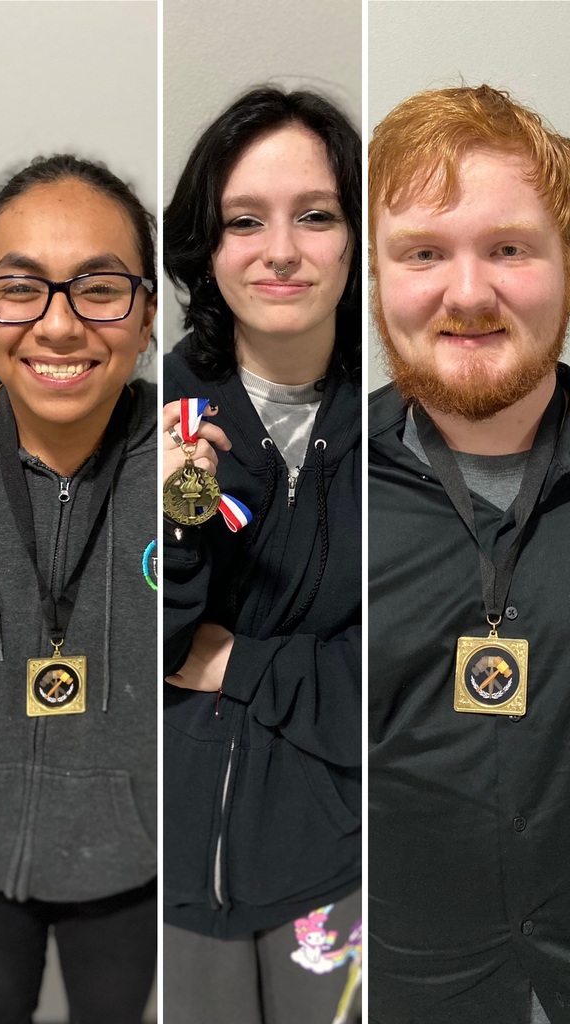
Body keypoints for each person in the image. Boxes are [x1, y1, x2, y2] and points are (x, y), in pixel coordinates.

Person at [368, 85, 570, 1024]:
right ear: (374, 275)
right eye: (423, 253)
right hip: (399, 981)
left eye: (509, 249)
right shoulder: (312, 491)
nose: (469, 294)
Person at [161, 87, 363, 1024]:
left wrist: (236, 661)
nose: (280, 251)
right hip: (160, 865)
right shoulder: (141, 409)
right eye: (245, 221)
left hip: (338, 859)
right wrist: (176, 523)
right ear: (206, 247)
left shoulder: (410, 428)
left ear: (357, 240)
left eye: (315, 216)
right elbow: (114, 651)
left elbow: (410, 682)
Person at [0, 154, 158, 1024]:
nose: (60, 325)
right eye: (21, 289)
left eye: (100, 289)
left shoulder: (197, 463)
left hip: (130, 863)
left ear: (147, 316)